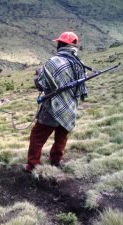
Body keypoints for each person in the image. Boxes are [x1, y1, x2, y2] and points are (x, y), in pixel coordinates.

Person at [23, 31, 88, 172]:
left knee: (37, 136)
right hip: (69, 107)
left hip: (52, 107)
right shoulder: (79, 63)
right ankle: (56, 160)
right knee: (61, 134)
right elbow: (81, 88)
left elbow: (42, 85)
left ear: (61, 44)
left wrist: (39, 75)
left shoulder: (53, 62)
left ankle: (32, 164)